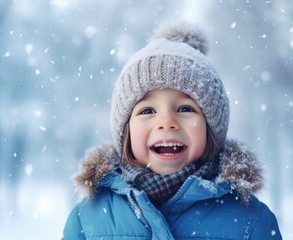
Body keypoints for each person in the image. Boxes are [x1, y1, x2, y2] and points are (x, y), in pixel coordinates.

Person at [62, 21, 282, 239]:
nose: (166, 121)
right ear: (125, 132)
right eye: (147, 110)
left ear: (211, 128)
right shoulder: (86, 220)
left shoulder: (250, 222)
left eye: (185, 108)